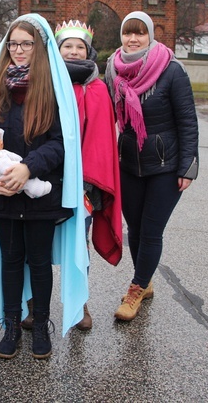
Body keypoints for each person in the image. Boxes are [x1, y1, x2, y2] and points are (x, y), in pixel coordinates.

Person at [0, 14, 89, 360]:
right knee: (10, 260)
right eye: (14, 44)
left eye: (27, 44)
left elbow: (60, 143)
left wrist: (27, 167)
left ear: (40, 48)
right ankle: (10, 326)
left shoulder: (52, 89)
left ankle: (41, 326)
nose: (19, 50)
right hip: (4, 194)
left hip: (40, 196)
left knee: (38, 262)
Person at [104, 11, 199, 322]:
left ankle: (136, 288)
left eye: (140, 33)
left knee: (152, 230)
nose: (133, 39)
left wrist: (188, 166)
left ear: (150, 35)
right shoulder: (113, 69)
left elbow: (187, 121)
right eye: (128, 33)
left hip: (166, 165)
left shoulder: (171, 70)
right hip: (129, 163)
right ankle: (145, 279)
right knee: (136, 228)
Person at [55, 19, 123, 330]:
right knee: (36, 244)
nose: (72, 51)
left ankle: (79, 303)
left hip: (84, 184)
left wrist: (87, 181)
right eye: (66, 46)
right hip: (48, 178)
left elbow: (102, 141)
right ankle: (32, 304)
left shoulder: (97, 89)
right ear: (57, 50)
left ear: (88, 51)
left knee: (78, 244)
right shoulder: (46, 82)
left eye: (78, 46)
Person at [0, 126, 52, 198]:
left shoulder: (0, 154)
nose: (1, 141)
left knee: (25, 185)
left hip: (16, 172)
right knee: (30, 183)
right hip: (10, 177)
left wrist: (26, 164)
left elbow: (11, 156)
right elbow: (5, 167)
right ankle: (39, 189)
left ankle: (30, 192)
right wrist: (22, 167)